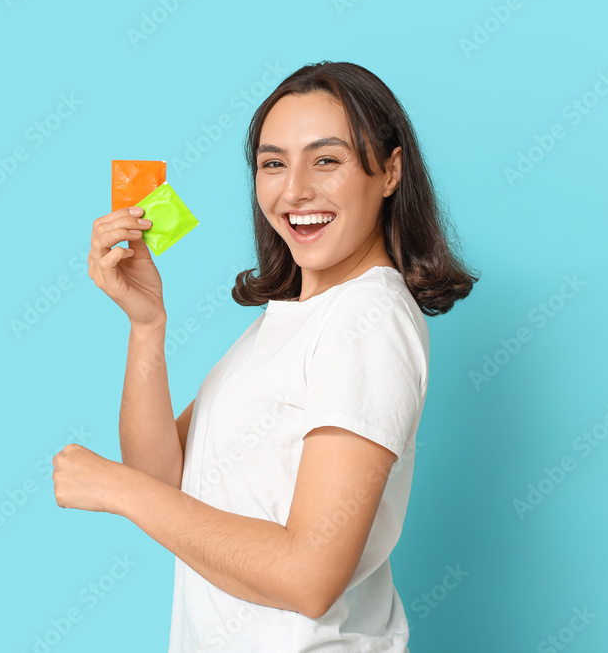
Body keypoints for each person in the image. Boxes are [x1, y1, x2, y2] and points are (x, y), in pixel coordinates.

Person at [51, 60, 478, 652]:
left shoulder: (367, 320)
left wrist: (119, 490)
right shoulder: (282, 324)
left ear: (390, 171)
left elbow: (309, 576)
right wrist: (147, 325)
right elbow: (166, 483)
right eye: (273, 163)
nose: (294, 189)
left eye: (326, 159)